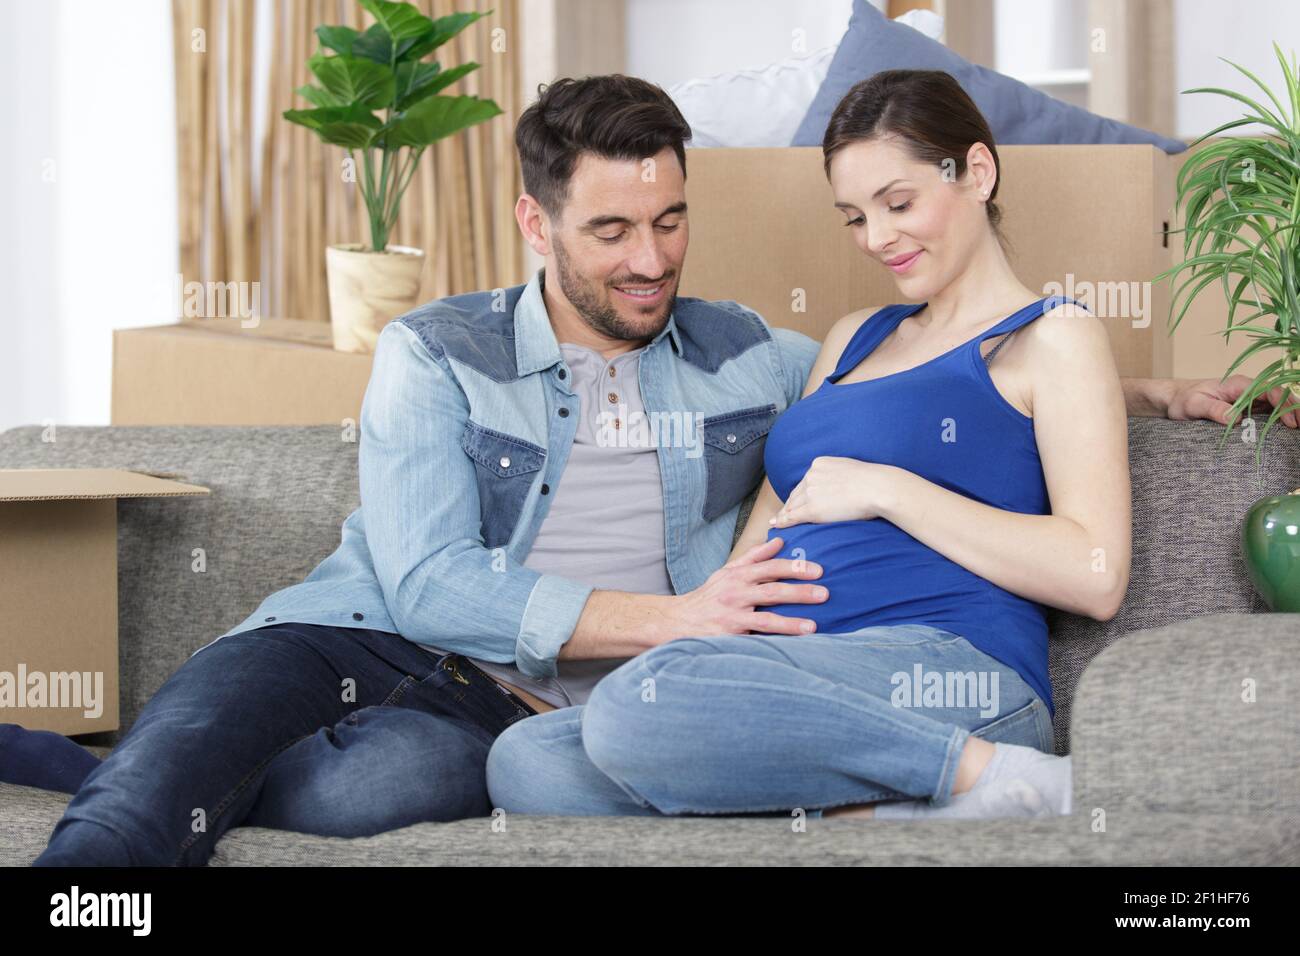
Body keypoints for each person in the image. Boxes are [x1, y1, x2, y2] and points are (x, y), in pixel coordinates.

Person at [15, 73, 1294, 865]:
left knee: (540, 740)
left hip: (798, 681)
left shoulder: (803, 349)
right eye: (612, 229)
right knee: (400, 758)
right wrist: (684, 621)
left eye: (670, 221)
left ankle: (972, 780)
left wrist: (1147, 392)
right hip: (419, 642)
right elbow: (427, 578)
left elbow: (998, 441)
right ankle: (114, 824)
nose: (649, 257)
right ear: (538, 223)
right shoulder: (451, 351)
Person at [480, 68, 1291, 821]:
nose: (876, 237)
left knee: (631, 706)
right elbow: (772, 528)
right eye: (856, 217)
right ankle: (889, 804)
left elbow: (1095, 576)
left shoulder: (1054, 336)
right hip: (783, 675)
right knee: (525, 761)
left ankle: (993, 773)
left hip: (949, 669)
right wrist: (713, 624)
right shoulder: (849, 339)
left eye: (898, 203)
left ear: (976, 171)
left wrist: (887, 489)